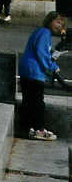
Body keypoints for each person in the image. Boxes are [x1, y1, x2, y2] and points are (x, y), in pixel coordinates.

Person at [18, 11, 67, 141]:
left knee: (28, 102)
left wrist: (53, 53)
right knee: (38, 103)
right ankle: (39, 129)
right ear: (49, 21)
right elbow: (41, 53)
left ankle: (27, 129)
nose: (59, 25)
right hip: (34, 72)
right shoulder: (45, 33)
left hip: (26, 71)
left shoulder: (39, 32)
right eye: (57, 22)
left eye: (61, 24)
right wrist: (53, 67)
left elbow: (43, 49)